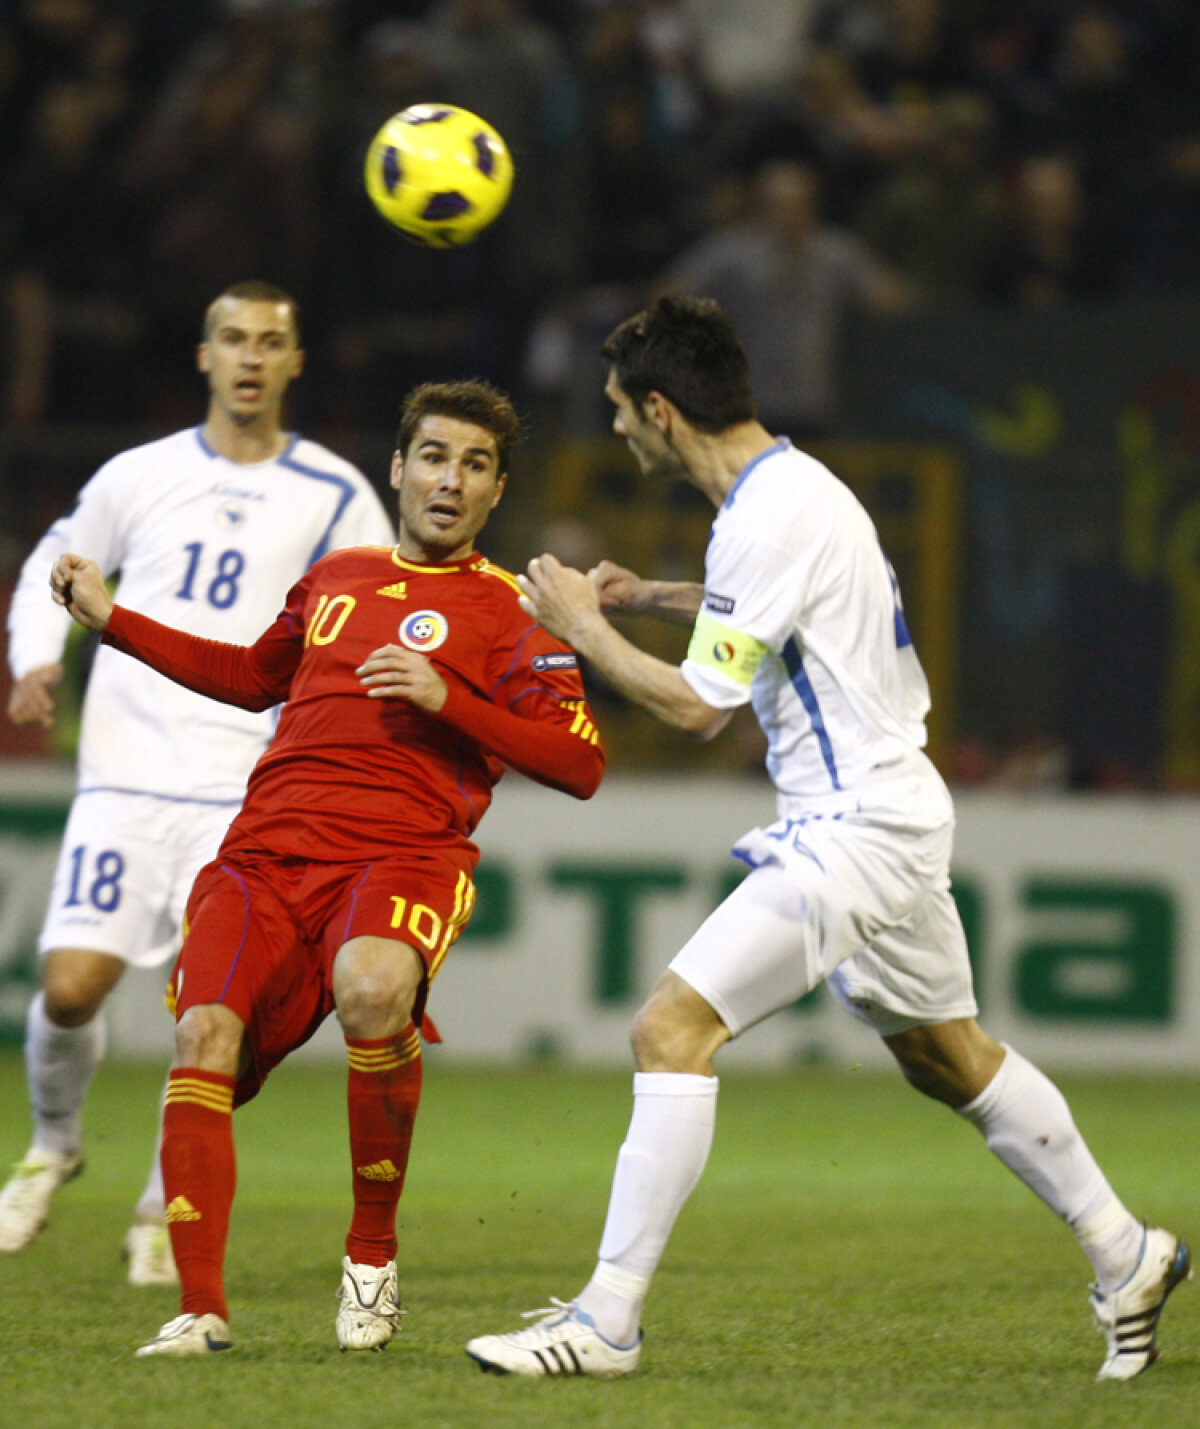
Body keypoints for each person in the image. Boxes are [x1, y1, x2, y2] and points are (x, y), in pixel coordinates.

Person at [464, 295, 1191, 1382]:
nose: (615, 429)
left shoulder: (769, 510)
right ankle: (1125, 1249)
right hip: (890, 804)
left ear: (662, 410)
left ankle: (606, 1320)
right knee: (949, 1059)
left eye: (621, 410)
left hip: (855, 823)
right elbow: (757, 610)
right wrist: (647, 591)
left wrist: (585, 627)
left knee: (670, 1029)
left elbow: (700, 706)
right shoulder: (788, 492)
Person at [49, 378, 605, 1357]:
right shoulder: (335, 578)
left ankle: (372, 1258)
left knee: (374, 983)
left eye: (475, 465)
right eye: (433, 455)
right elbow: (251, 677)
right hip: (265, 852)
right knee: (204, 1036)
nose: (449, 479)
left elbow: (580, 764)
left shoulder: (513, 613)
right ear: (397, 468)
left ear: (496, 489)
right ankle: (201, 1308)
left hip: (406, 853)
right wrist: (114, 618)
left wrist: (449, 699)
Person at [1, 281, 394, 1285]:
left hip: (245, 790)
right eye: (234, 339)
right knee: (70, 986)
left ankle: (157, 1206)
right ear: (205, 354)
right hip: (125, 778)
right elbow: (62, 553)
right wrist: (36, 654)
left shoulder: (337, 492)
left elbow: (369, 617)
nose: (252, 356)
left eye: (271, 341)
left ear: (295, 363)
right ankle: (53, 1143)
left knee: (203, 1010)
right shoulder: (141, 473)